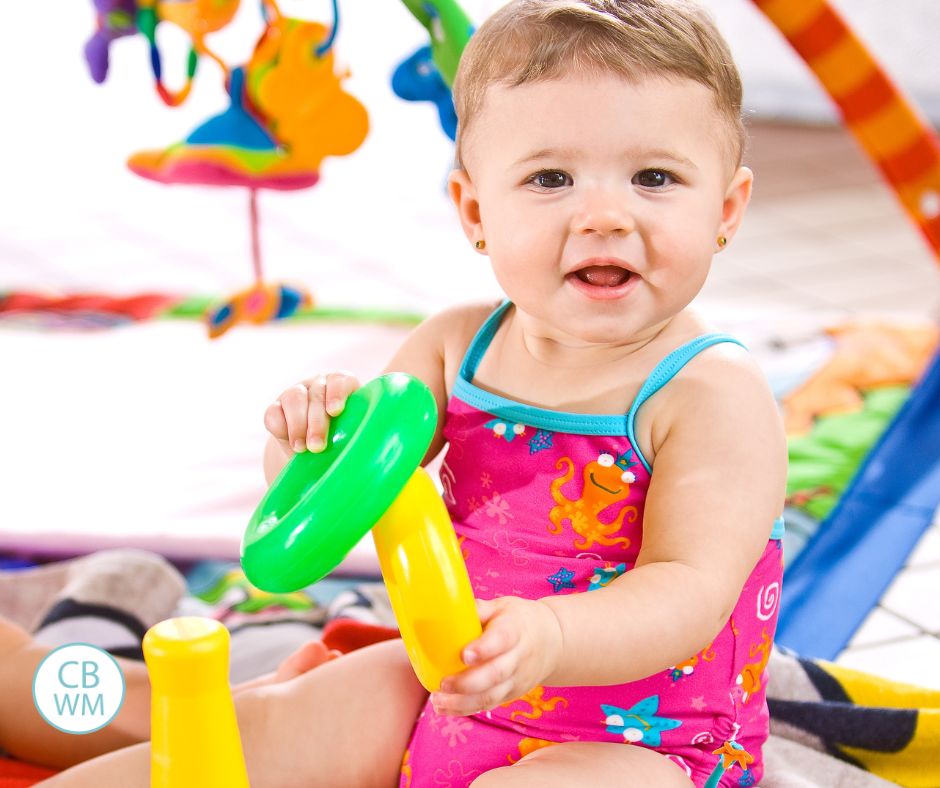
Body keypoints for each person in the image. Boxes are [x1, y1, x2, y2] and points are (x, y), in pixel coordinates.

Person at [47, 0, 785, 785]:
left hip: (645, 740)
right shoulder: (453, 347)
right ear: (475, 211)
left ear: (725, 210)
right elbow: (336, 498)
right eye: (550, 178)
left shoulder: (711, 394)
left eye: (655, 177)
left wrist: (551, 637)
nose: (604, 214)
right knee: (255, 727)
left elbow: (688, 590)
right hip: (451, 684)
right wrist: (306, 439)